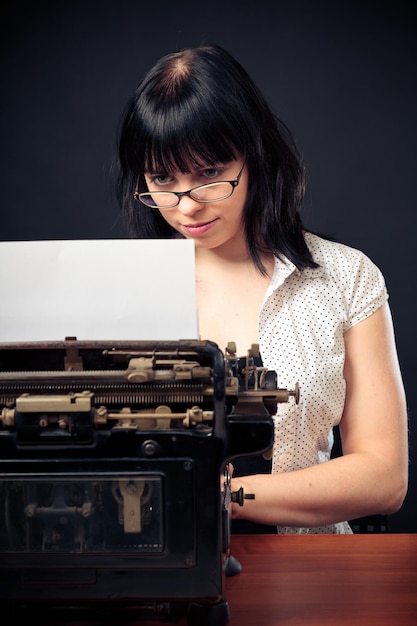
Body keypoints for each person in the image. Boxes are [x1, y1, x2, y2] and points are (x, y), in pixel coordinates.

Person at [115, 43, 408, 534]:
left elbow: (384, 477)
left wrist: (219, 493)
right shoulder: (115, 287)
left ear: (255, 157)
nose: (187, 206)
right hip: (148, 571)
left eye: (209, 173)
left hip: (310, 575)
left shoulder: (345, 278)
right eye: (163, 178)